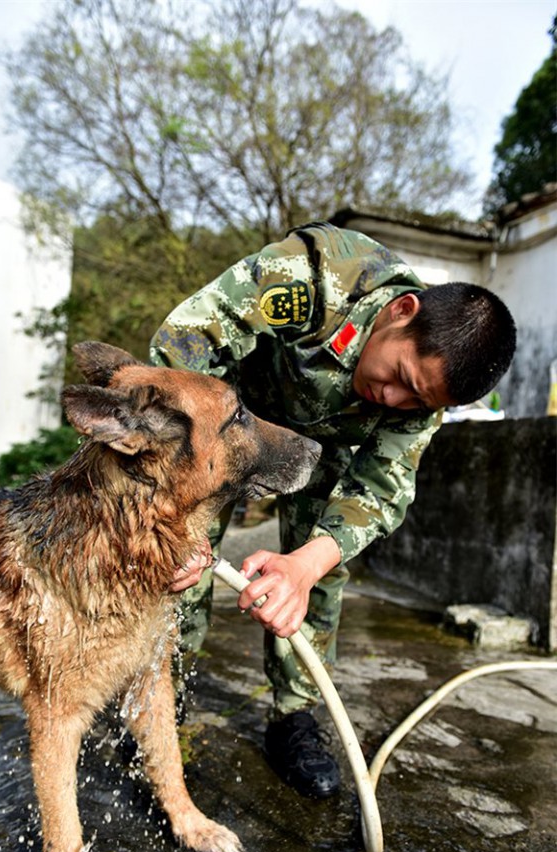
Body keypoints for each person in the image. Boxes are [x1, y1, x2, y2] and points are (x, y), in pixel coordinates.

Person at [149, 221, 516, 800]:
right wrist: (175, 510)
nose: (394, 400)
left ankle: (294, 716)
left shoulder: (426, 391)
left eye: (417, 402)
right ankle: (161, 707)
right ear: (402, 311)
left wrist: (305, 565)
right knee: (182, 572)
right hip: (230, 426)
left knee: (317, 581)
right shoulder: (315, 277)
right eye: (399, 378)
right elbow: (185, 346)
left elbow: (382, 485)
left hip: (324, 450)